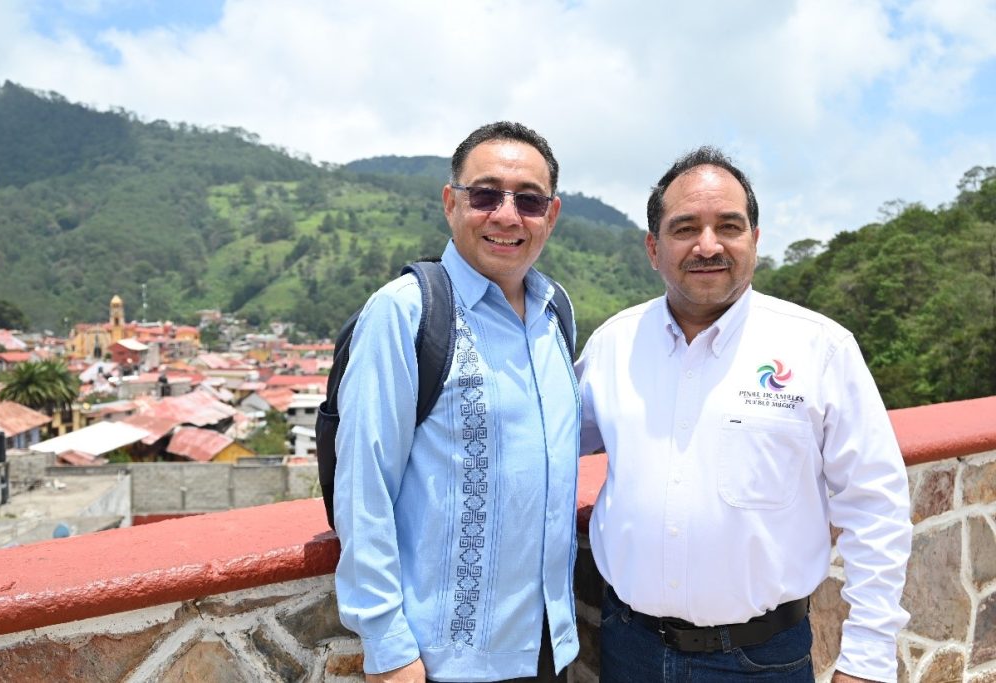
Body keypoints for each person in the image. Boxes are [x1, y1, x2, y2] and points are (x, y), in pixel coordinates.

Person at [575, 146, 911, 683]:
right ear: (652, 248)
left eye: (728, 225)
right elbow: (548, 444)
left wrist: (868, 657)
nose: (707, 245)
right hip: (629, 647)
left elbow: (875, 503)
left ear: (754, 239)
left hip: (760, 661)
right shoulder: (613, 345)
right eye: (685, 228)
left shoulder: (818, 348)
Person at [334, 121, 580, 683]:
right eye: (486, 195)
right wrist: (388, 647)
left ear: (552, 214)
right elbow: (363, 485)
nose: (506, 215)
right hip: (445, 661)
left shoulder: (555, 312)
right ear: (451, 203)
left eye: (529, 200)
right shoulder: (406, 312)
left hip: (550, 649)